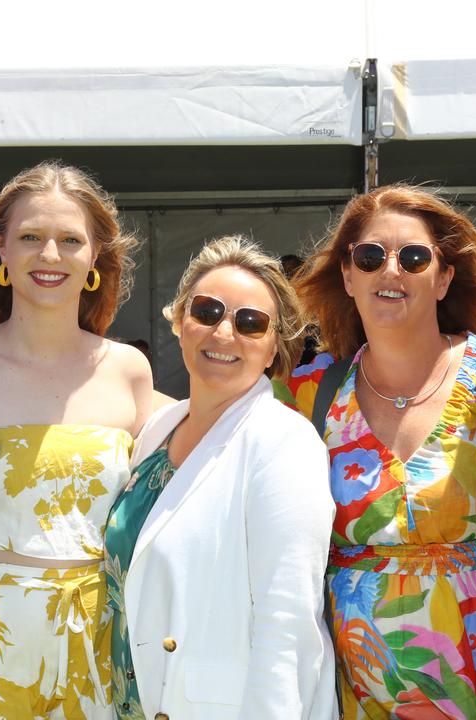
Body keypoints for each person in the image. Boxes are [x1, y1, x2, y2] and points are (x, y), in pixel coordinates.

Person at [0, 161, 153, 719]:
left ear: (95, 256)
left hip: (98, 640)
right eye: (30, 237)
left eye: (70, 240)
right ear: (1, 249)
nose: (50, 255)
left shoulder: (130, 371)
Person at [287, 185, 476, 719]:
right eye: (370, 257)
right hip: (358, 673)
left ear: (444, 277)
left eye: (414, 257)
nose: (390, 272)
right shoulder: (309, 394)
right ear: (348, 276)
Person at [106, 235, 336, 719]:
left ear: (276, 347)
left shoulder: (284, 444)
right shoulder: (157, 432)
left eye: (251, 323)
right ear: (180, 321)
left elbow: (287, 627)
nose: (224, 333)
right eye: (207, 311)